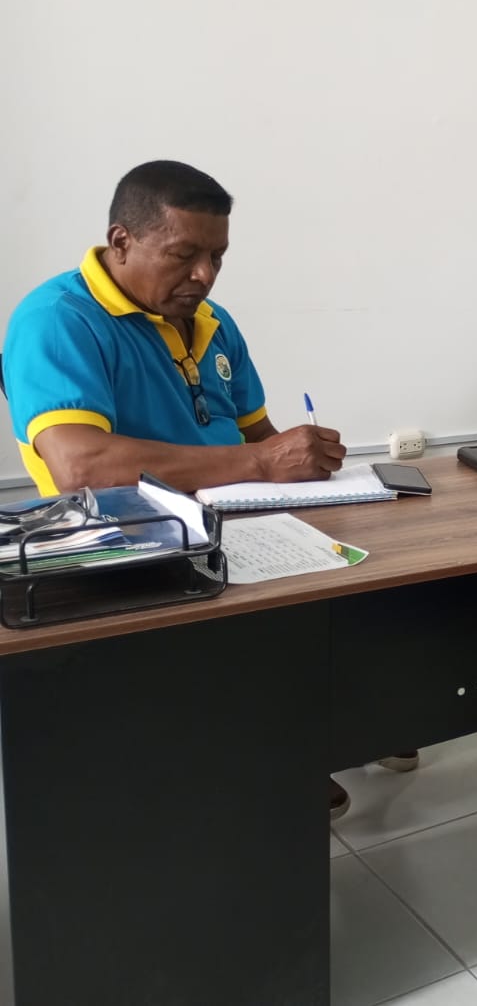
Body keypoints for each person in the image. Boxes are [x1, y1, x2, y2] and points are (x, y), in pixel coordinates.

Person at [1, 159, 411, 821]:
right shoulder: (57, 320)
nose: (204, 275)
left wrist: (302, 460)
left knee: (384, 572)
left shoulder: (213, 321)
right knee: (267, 640)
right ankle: (279, 757)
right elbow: (82, 467)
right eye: (184, 255)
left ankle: (349, 722)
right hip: (132, 552)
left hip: (237, 525)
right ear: (121, 241)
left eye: (217, 257)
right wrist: (261, 462)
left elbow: (260, 438)